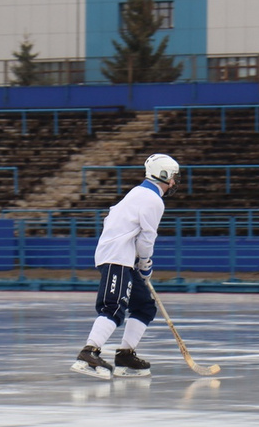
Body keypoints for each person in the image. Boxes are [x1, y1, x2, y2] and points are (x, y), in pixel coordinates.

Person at [71, 153, 180, 379]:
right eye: (173, 176)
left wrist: (137, 262)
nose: (174, 182)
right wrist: (145, 264)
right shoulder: (153, 200)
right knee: (113, 307)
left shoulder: (138, 193)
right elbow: (146, 239)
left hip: (124, 258)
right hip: (117, 258)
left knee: (144, 306)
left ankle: (125, 355)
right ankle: (89, 353)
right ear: (165, 175)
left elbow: (111, 218)